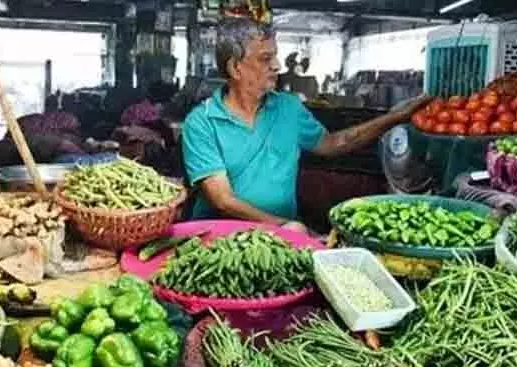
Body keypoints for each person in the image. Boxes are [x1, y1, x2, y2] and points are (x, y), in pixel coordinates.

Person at [181, 16, 430, 232]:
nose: (277, 66)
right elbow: (222, 199)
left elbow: (333, 143)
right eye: (266, 58)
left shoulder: (289, 107)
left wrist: (395, 116)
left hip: (282, 237)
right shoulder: (202, 123)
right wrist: (282, 226)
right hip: (217, 238)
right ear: (235, 68)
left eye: (275, 56)